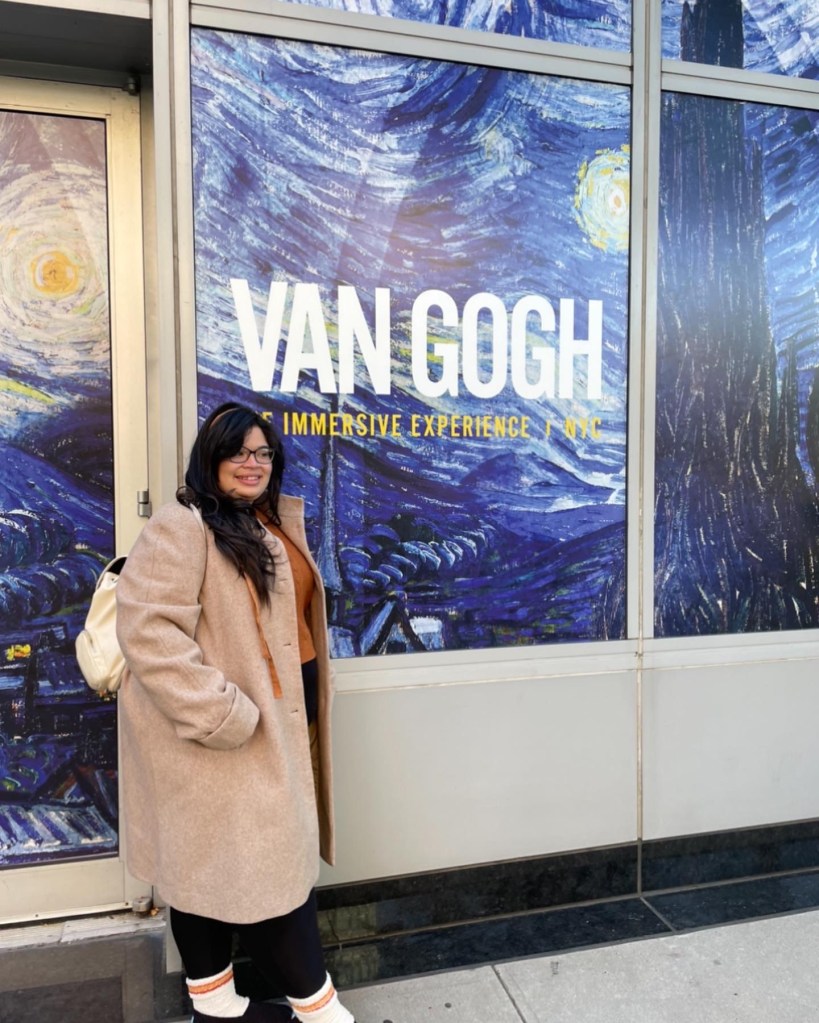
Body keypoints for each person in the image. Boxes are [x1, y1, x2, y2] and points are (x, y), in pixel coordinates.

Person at [116, 402, 355, 1023]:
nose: (253, 464)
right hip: (220, 742)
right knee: (260, 875)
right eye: (238, 452)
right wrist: (224, 716)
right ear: (211, 458)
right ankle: (322, 1013)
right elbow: (147, 633)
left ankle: (215, 1007)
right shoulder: (184, 526)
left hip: (276, 727)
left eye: (263, 453)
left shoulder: (266, 521)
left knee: (207, 867)